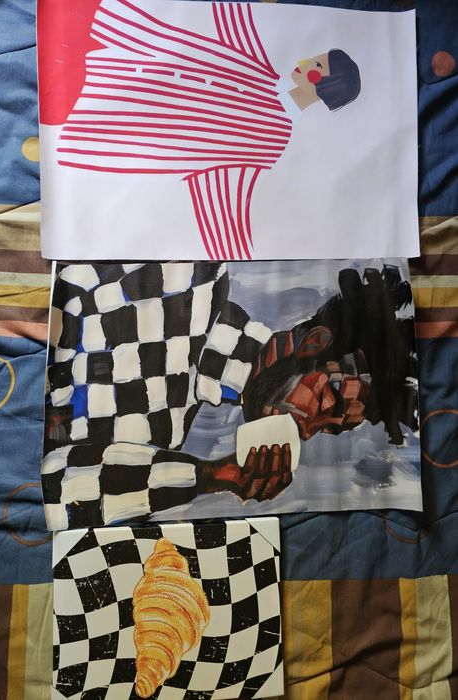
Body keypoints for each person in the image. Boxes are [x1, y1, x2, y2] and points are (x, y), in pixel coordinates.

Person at [41, 261, 417, 530]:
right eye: (326, 400)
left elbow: (59, 492)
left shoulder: (159, 438)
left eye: (327, 428)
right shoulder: (194, 278)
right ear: (314, 343)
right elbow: (75, 276)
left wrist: (214, 476)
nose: (307, 430)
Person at [56, 0, 361, 259]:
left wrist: (232, 250)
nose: (305, 62)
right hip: (118, 59)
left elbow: (223, 187)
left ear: (326, 87)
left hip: (113, 125)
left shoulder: (273, 138)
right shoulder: (263, 68)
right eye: (314, 59)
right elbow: (234, 21)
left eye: (317, 66)